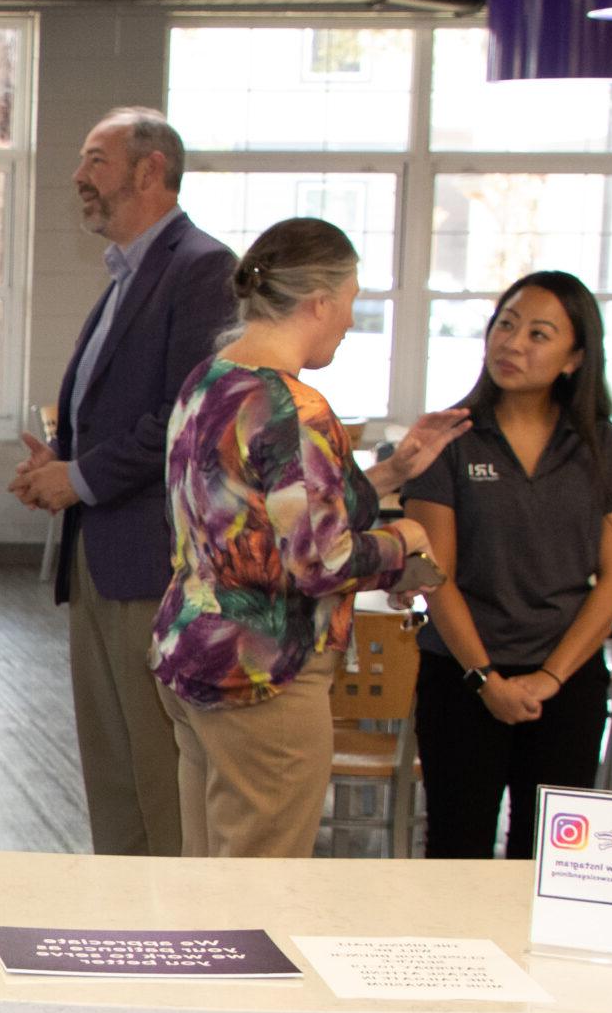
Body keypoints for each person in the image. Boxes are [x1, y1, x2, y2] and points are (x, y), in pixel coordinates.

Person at [149, 217, 464, 859]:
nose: (350, 320)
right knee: (258, 896)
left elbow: (270, 509)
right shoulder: (295, 406)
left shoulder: (211, 380)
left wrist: (392, 473)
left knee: (204, 881)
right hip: (267, 677)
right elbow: (320, 561)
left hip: (195, 650)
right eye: (350, 301)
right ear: (320, 302)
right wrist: (404, 542)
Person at [11, 109, 237, 858]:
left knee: (156, 764)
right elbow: (119, 406)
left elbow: (183, 411)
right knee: (111, 765)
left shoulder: (201, 266)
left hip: (151, 557)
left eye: (95, 159)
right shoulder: (126, 274)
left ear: (149, 171)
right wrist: (59, 462)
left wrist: (77, 477)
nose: (79, 177)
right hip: (99, 547)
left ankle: (167, 929)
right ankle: (116, 911)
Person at [403, 271, 612, 857]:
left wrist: (551, 677)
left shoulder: (597, 442)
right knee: (458, 852)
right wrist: (487, 679)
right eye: (506, 325)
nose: (512, 344)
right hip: (462, 677)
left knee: (553, 863)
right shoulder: (449, 437)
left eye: (539, 334)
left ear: (574, 358)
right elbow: (437, 575)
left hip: (566, 680)